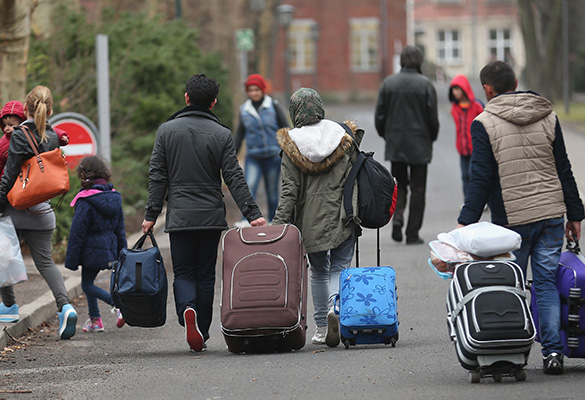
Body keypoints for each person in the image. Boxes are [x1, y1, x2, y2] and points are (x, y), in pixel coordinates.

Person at [457, 61, 585, 375]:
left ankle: (513, 351)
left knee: (510, 286)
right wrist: (575, 213)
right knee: (545, 285)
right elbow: (563, 168)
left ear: (487, 89)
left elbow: (482, 178)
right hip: (551, 213)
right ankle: (553, 354)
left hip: (512, 222)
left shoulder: (483, 122)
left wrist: (465, 222)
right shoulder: (547, 114)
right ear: (516, 82)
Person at [142, 73, 266, 352]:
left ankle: (188, 310)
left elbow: (157, 176)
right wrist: (252, 213)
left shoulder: (166, 131)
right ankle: (204, 331)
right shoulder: (222, 134)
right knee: (206, 274)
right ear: (213, 103)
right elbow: (234, 176)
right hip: (210, 216)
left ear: (186, 98)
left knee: (184, 272)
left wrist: (151, 214)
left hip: (180, 216)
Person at [272, 87, 362, 347]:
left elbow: (289, 192)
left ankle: (322, 326)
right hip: (344, 213)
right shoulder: (343, 136)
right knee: (340, 267)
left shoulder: (292, 146)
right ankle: (338, 309)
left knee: (319, 271)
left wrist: (279, 226)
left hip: (310, 221)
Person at [0, 86, 78, 339]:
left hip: (16, 209)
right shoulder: (54, 135)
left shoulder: (19, 135)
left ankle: (10, 306)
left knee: (4, 256)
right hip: (44, 211)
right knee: (45, 263)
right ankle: (65, 306)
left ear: (26, 107)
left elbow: (10, 175)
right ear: (50, 108)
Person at [375, 45, 439, 245]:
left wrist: (387, 136)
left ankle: (398, 218)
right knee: (418, 190)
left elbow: (379, 117)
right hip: (420, 143)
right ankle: (412, 233)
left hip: (396, 144)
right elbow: (432, 119)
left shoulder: (388, 83)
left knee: (399, 185)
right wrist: (431, 138)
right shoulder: (426, 85)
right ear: (419, 61)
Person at [65, 155, 127, 332]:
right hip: (109, 248)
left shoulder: (85, 200)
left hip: (90, 250)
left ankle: (118, 305)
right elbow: (120, 229)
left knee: (86, 285)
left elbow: (78, 232)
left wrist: (71, 260)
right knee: (88, 281)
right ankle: (95, 320)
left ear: (84, 175)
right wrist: (123, 253)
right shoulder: (115, 197)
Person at [234, 74, 289, 226]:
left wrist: (289, 151)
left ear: (262, 90)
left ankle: (273, 219)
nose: (254, 93)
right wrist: (232, 155)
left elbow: (285, 128)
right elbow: (240, 134)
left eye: (256, 89)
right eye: (250, 90)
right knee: (249, 187)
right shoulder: (244, 110)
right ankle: (246, 219)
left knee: (272, 191)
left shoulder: (273, 106)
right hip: (253, 156)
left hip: (273, 156)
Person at [1, 100, 69, 177]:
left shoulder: (30, 132)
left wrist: (61, 136)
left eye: (11, 125)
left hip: (30, 173)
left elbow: (48, 131)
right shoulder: (3, 142)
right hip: (14, 176)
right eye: (4, 125)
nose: (7, 128)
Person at [448, 75, 484, 199]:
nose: (455, 92)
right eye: (453, 89)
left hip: (475, 147)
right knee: (464, 176)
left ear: (464, 89)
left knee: (473, 174)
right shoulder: (455, 108)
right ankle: (467, 201)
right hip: (462, 148)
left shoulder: (477, 106)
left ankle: (478, 199)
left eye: (457, 89)